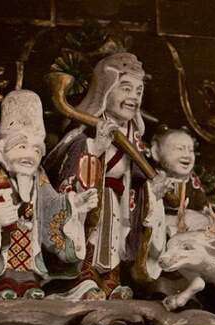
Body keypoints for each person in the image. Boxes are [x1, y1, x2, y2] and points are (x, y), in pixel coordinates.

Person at [45, 53, 171, 300]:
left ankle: (111, 282)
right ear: (104, 90)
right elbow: (70, 163)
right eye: (126, 88)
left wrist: (152, 192)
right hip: (93, 196)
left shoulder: (133, 135)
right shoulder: (86, 130)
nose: (133, 97)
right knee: (92, 236)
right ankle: (84, 279)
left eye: (138, 91)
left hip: (120, 199)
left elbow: (139, 177)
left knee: (115, 238)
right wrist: (96, 148)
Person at [0, 90, 98, 300]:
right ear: (1, 150)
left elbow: (50, 203)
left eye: (36, 150)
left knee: (30, 280)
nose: (29, 155)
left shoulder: (38, 175)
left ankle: (28, 285)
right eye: (22, 146)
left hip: (30, 245)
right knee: (1, 278)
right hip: (1, 252)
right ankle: (0, 286)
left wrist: (73, 204)